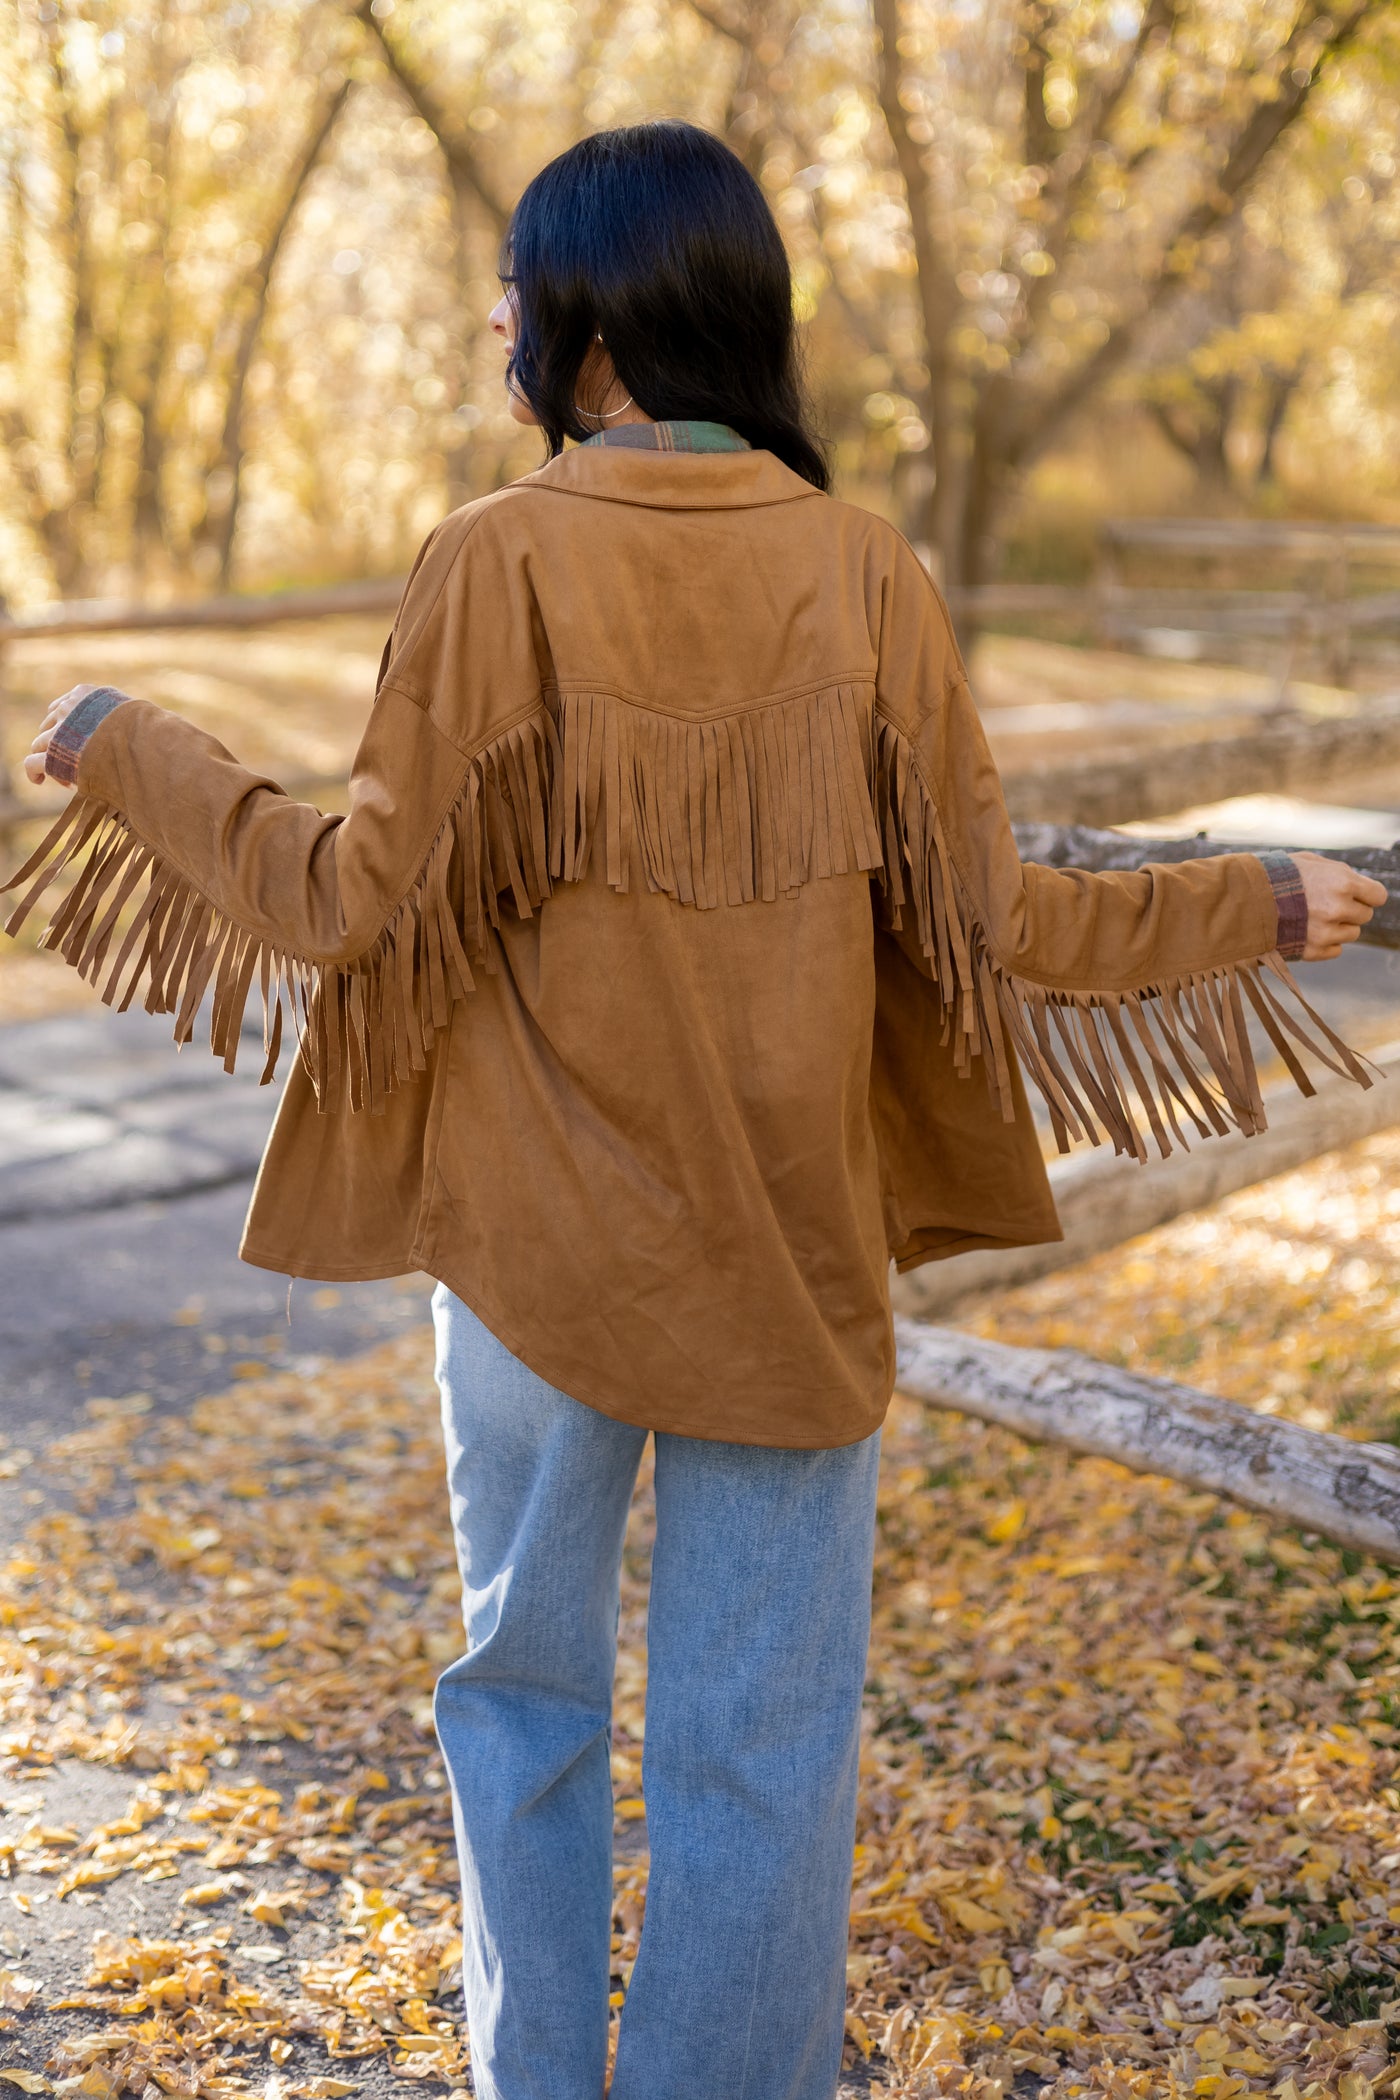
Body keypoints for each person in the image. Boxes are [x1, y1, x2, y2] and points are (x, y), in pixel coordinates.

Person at [6, 119, 1385, 2100]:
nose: (496, 315)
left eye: (518, 283)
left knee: (522, 1702)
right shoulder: (865, 572)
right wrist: (1248, 903)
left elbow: (337, 898)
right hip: (789, 1258)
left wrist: (134, 748)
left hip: (524, 1255)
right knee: (763, 1747)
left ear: (587, 324)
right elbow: (999, 925)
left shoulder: (495, 563)